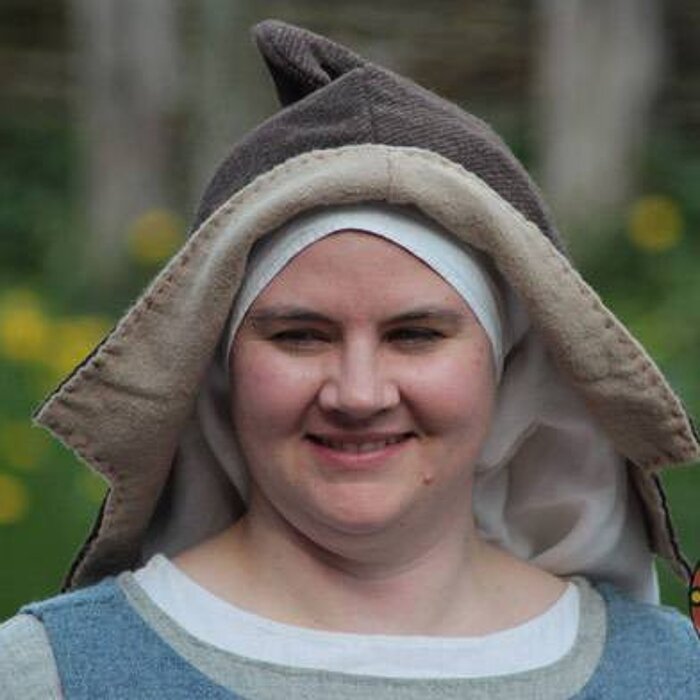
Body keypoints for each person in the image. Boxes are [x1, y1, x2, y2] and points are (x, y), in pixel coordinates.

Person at [1, 19, 698, 699]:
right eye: (299, 336)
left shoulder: (670, 674)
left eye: (415, 335)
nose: (358, 394)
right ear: (218, 366)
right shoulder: (49, 675)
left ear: (509, 368)